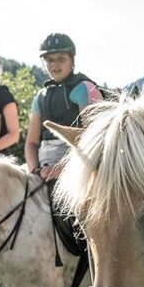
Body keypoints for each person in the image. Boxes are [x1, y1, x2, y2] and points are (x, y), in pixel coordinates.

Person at [24, 33, 102, 182]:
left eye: (61, 59)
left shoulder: (85, 88)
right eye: (50, 60)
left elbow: (95, 140)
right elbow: (31, 142)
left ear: (72, 59)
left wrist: (62, 169)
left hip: (80, 168)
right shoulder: (40, 96)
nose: (54, 65)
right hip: (43, 169)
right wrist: (35, 171)